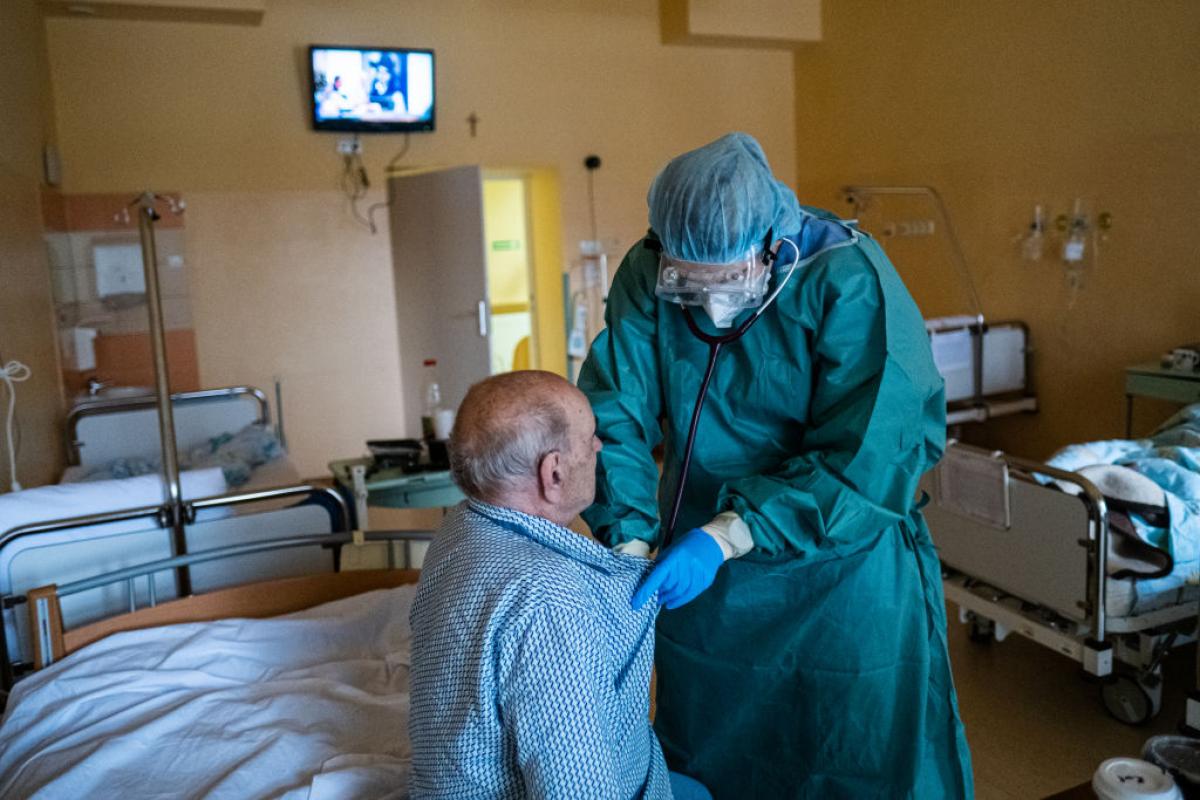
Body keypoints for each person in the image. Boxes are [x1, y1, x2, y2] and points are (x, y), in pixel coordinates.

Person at [579, 133, 974, 798]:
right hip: (712, 587)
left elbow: (873, 453)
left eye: (729, 280)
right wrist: (631, 536)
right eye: (687, 284)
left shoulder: (847, 279)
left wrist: (728, 535)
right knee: (716, 749)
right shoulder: (647, 271)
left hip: (841, 571)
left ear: (770, 244)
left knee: (855, 749)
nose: (707, 302)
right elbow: (613, 407)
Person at [408, 370, 711, 800]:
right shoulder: (550, 600)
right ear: (553, 472)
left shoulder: (460, 527)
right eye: (589, 438)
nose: (599, 448)